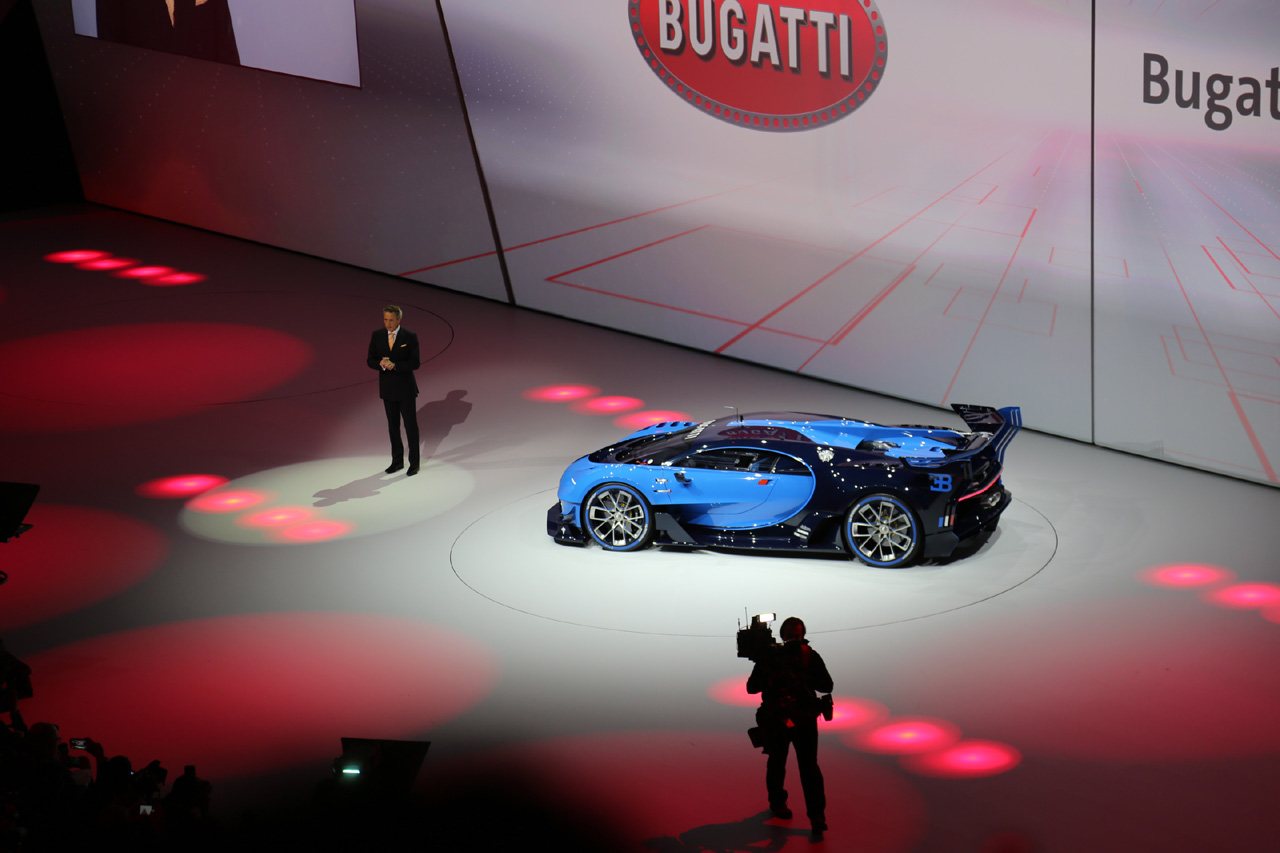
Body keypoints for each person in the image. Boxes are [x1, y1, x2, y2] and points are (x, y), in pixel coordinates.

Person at [746, 617, 833, 841]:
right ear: (782, 636)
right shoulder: (771, 656)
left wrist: (802, 674)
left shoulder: (809, 656)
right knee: (777, 762)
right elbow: (751, 687)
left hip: (804, 720)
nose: (794, 639)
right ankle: (777, 803)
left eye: (798, 635)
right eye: (791, 635)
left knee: (809, 768)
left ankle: (817, 817)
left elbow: (827, 685)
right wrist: (769, 670)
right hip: (778, 719)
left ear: (803, 636)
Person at [367, 305, 421, 475]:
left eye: (391, 320)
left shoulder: (410, 336)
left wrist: (396, 365)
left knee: (410, 426)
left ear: (399, 319)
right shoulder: (377, 335)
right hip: (388, 389)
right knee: (393, 426)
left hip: (406, 389)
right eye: (385, 319)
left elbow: (415, 363)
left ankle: (414, 463)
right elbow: (370, 360)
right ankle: (397, 461)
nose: (388, 323)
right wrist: (381, 364)